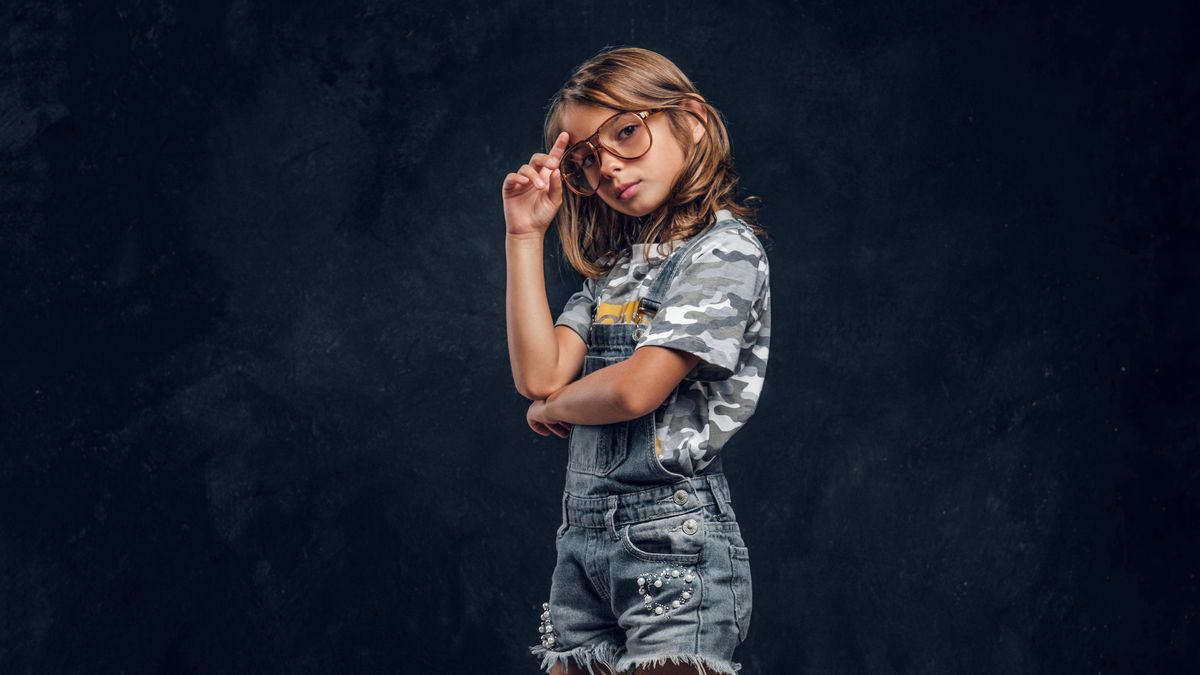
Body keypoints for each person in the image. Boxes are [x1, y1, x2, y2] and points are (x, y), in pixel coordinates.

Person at [502, 46, 771, 675]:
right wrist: (524, 235)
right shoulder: (613, 274)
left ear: (692, 121)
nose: (609, 167)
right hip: (582, 543)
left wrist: (554, 407)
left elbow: (636, 389)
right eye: (585, 160)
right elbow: (538, 374)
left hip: (673, 543)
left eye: (626, 132)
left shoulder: (724, 252)